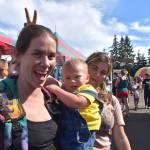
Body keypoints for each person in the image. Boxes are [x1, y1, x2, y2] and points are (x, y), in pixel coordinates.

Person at [0, 24, 59, 149]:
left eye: (51, 56)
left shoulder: (53, 99)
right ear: (17, 55)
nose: (46, 64)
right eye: (37, 54)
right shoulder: (5, 98)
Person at [46, 58, 101, 150]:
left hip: (82, 134)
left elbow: (77, 102)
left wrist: (56, 89)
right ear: (63, 79)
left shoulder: (88, 89)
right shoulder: (66, 89)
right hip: (66, 131)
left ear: (87, 78)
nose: (72, 81)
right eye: (68, 78)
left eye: (77, 77)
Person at [85, 52, 131, 150]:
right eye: (94, 68)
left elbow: (121, 138)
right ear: (85, 66)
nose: (97, 74)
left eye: (103, 72)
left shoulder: (111, 100)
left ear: (105, 76)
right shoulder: (67, 93)